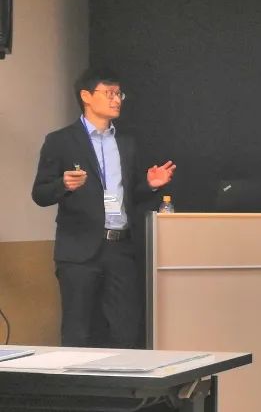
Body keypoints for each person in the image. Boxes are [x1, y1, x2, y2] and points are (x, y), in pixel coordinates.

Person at [31, 68, 176, 348]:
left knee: (126, 331)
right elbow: (40, 194)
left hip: (120, 249)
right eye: (109, 93)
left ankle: (122, 378)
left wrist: (150, 185)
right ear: (86, 96)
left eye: (119, 94)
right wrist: (63, 184)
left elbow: (128, 196)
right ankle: (77, 378)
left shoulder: (126, 142)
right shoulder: (60, 141)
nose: (116, 99)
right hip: (78, 251)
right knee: (78, 332)